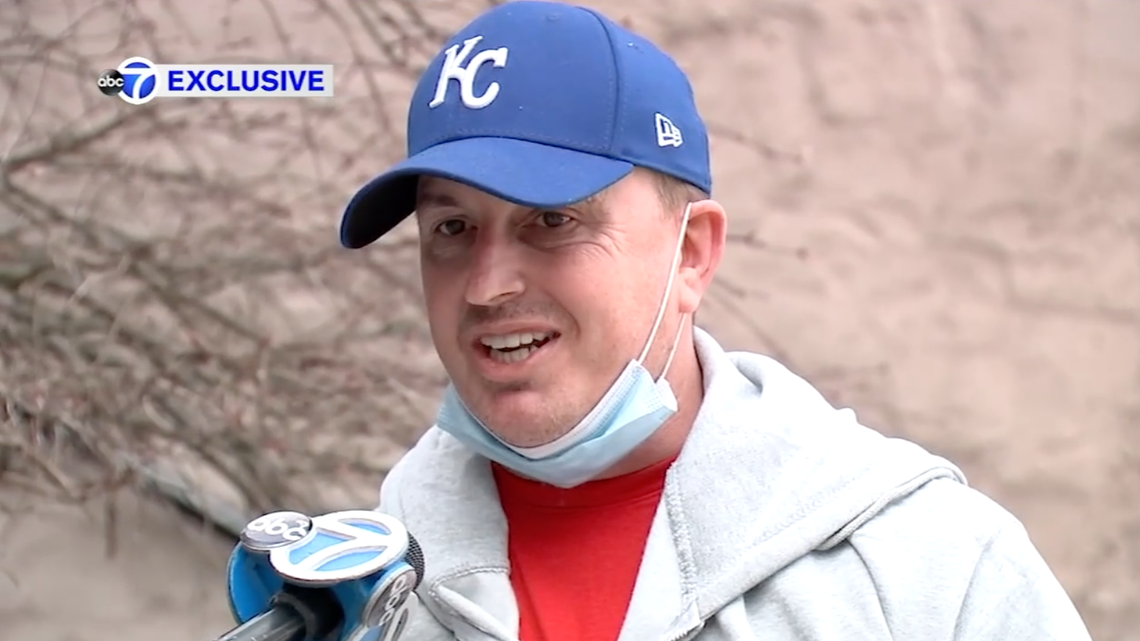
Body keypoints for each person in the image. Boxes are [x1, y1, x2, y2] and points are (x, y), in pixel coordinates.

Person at [338, 2, 1094, 639]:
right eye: (451, 228)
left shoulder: (934, 571)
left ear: (692, 254)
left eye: (552, 219)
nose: (487, 285)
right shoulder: (360, 595)